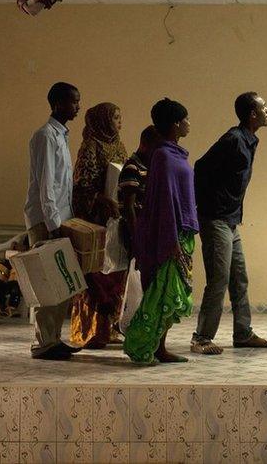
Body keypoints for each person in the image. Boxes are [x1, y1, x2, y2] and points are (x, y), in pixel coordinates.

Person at [190, 92, 267, 355]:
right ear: (252, 114)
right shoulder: (234, 140)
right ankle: (202, 338)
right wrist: (208, 207)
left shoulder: (249, 141)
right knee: (219, 279)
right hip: (216, 219)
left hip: (230, 219)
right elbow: (200, 168)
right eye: (263, 108)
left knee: (239, 278)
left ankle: (243, 333)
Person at [123, 98, 198, 364]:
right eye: (186, 118)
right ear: (176, 123)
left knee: (174, 293)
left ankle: (159, 347)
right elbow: (165, 200)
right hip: (170, 233)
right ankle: (141, 345)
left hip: (182, 231)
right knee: (161, 293)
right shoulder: (163, 156)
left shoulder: (175, 153)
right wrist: (171, 239)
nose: (190, 123)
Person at [22, 81, 83, 360]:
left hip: (59, 218)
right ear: (58, 104)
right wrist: (53, 223)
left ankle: (53, 339)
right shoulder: (46, 135)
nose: (77, 106)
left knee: (61, 283)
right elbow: (47, 184)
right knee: (48, 284)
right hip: (47, 221)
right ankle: (43, 343)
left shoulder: (62, 136)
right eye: (73, 102)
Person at [69, 103, 128, 349]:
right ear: (103, 120)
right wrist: (102, 199)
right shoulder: (90, 146)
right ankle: (91, 331)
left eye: (119, 117)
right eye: (115, 117)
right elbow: (82, 186)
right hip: (96, 221)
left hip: (115, 221)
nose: (119, 122)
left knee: (115, 274)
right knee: (96, 275)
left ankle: (112, 327)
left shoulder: (118, 145)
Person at [118, 125, 161, 256]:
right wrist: (137, 239)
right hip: (133, 231)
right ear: (144, 145)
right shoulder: (133, 168)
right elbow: (129, 207)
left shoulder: (147, 168)